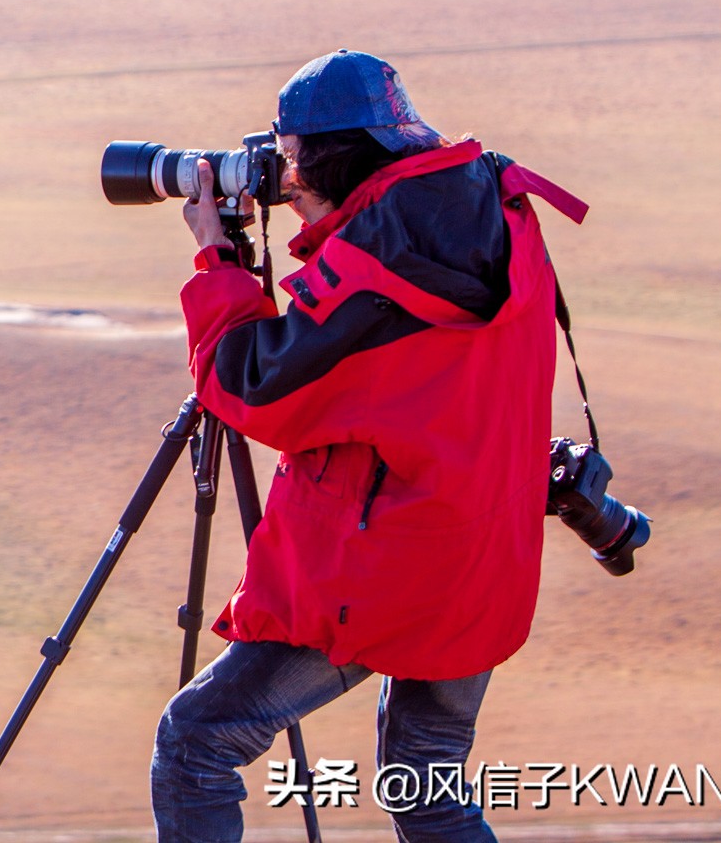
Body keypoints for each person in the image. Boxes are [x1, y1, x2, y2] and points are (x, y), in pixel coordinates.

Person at [150, 49, 586, 841]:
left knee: (196, 745)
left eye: (288, 161)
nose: (286, 182)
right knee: (425, 789)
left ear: (332, 156)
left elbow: (251, 387)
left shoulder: (378, 263)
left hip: (391, 571)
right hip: (484, 559)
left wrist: (218, 261)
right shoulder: (497, 203)